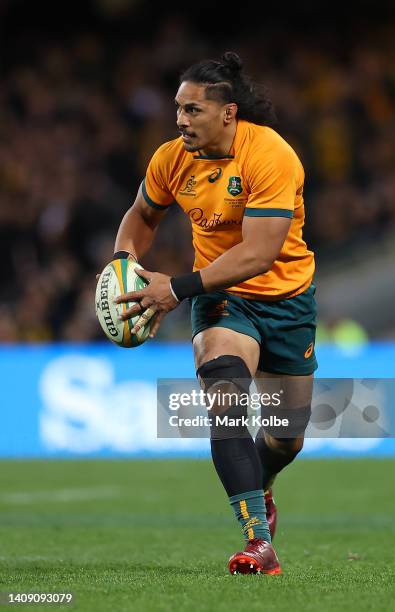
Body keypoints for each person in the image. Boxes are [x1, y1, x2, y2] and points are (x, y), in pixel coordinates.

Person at [112, 51, 317, 575]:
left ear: (228, 112)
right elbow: (141, 215)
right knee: (224, 395)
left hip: (287, 301)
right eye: (178, 110)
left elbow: (259, 253)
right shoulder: (171, 158)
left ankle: (264, 484)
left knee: (285, 435)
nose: (181, 120)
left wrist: (173, 289)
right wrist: (122, 263)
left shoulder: (270, 155)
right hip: (224, 300)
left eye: (193, 110)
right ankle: (258, 541)